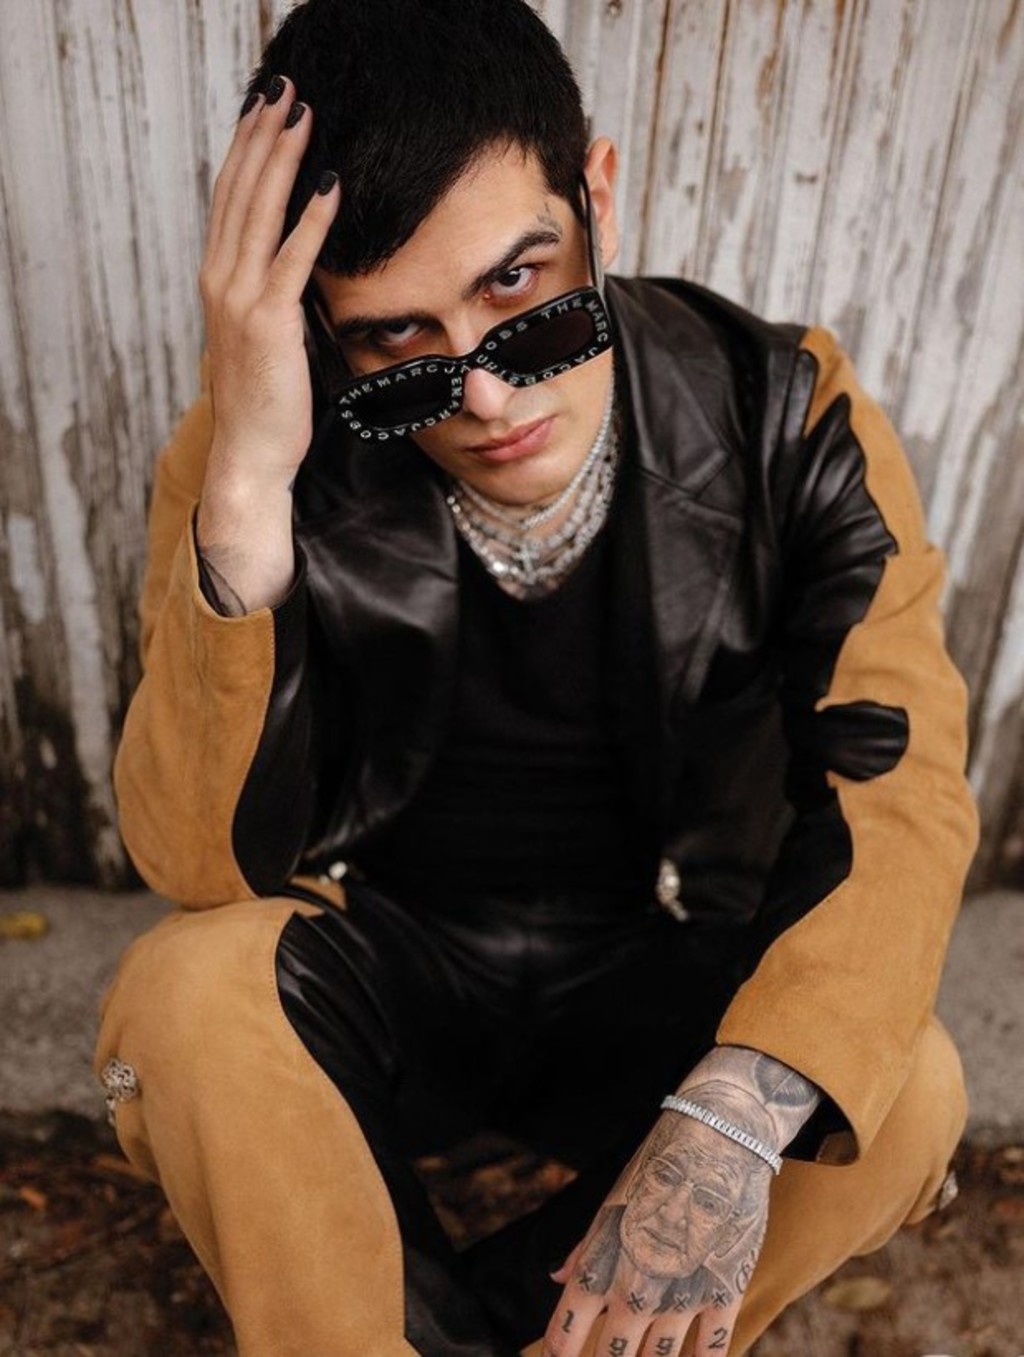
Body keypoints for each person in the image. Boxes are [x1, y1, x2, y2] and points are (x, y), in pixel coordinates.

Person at [95, 2, 978, 1354]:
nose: (486, 399)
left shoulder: (785, 413)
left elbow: (898, 788)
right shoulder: (255, 455)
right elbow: (192, 859)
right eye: (399, 347)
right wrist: (251, 481)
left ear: (597, 197)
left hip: (662, 967)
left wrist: (734, 1110)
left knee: (898, 1086)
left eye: (521, 292)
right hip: (394, 964)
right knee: (185, 996)